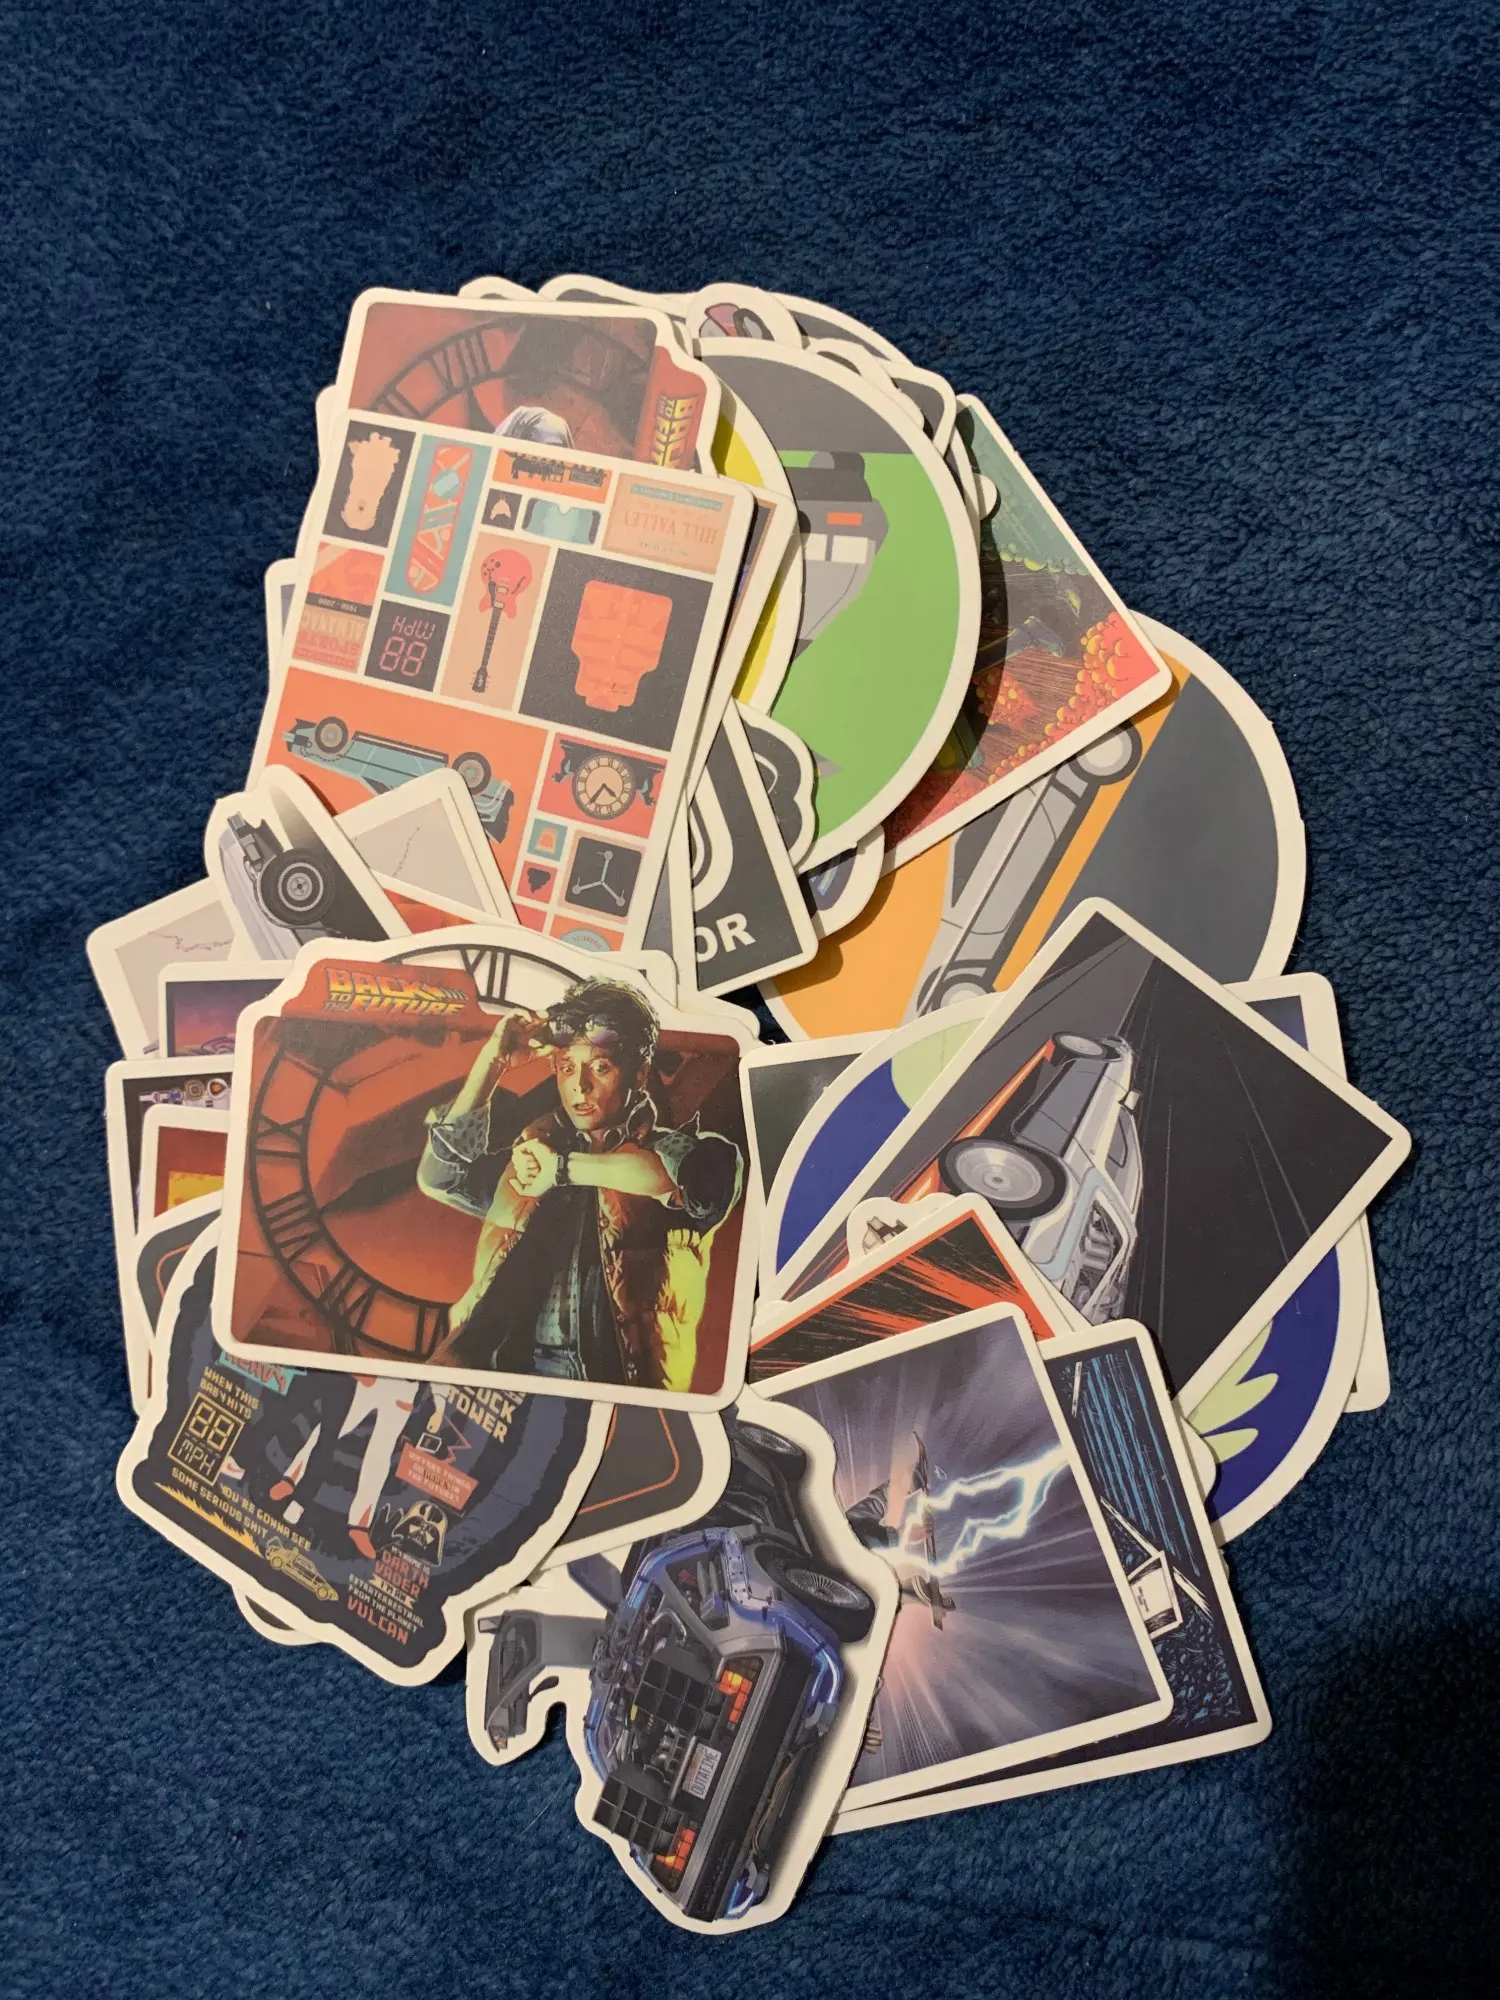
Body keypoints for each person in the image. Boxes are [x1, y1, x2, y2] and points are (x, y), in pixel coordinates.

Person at [417, 978, 741, 1390]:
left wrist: (563, 1170)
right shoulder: (531, 1158)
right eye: (567, 1067)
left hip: (618, 1388)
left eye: (600, 1067)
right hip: (507, 1374)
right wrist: (491, 1065)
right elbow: (439, 1176)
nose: (580, 1085)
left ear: (640, 1074)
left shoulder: (680, 1152)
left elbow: (687, 1183)